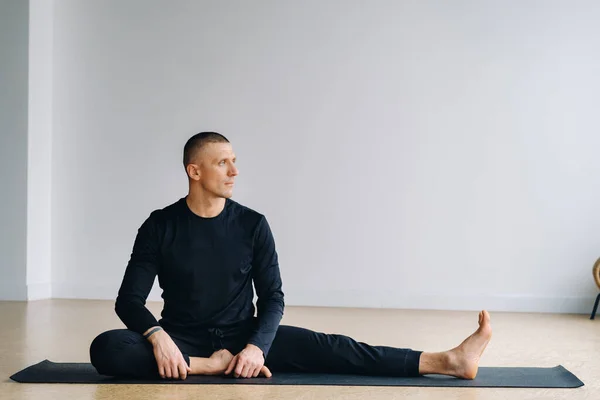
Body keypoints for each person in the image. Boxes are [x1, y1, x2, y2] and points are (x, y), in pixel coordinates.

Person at [89, 132, 492, 381]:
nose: (234, 171)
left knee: (337, 348)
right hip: (183, 338)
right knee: (108, 349)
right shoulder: (160, 226)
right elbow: (129, 301)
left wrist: (255, 348)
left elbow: (273, 298)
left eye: (234, 161)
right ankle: (206, 366)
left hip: (243, 334)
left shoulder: (252, 224)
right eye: (222, 162)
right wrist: (159, 339)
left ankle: (451, 360)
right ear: (195, 172)